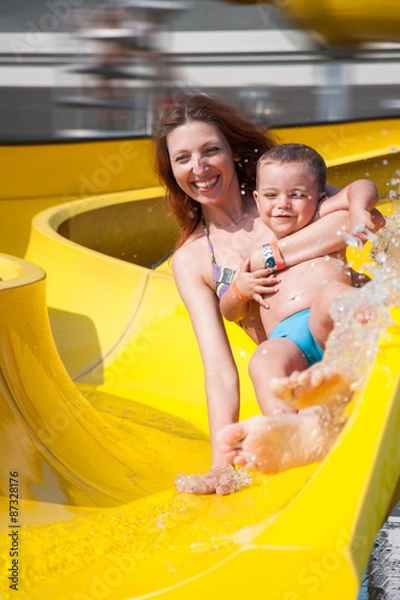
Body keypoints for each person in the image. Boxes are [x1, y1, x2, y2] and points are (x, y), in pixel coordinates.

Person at [154, 94, 384, 495]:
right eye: (183, 158)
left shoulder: (283, 193)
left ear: (234, 152)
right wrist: (219, 464)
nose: (200, 168)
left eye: (211, 151)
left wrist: (269, 255)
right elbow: (219, 370)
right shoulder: (192, 260)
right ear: (171, 170)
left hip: (351, 335)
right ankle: (289, 427)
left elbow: (357, 219)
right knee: (262, 364)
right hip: (295, 364)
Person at [217, 144, 379, 473]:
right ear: (258, 199)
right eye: (272, 195)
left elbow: (362, 186)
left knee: (334, 293)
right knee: (263, 360)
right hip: (288, 340)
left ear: (319, 197)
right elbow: (229, 312)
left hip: (330, 325)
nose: (283, 205)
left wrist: (360, 209)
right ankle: (289, 427)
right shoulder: (249, 249)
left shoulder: (320, 216)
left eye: (297, 195)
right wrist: (239, 289)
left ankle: (364, 331)